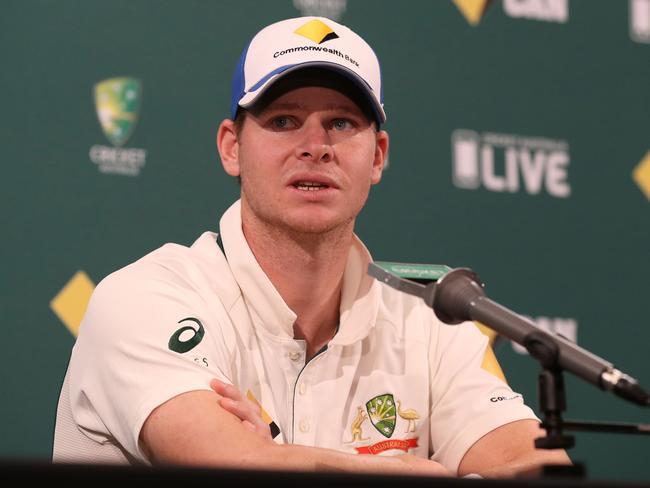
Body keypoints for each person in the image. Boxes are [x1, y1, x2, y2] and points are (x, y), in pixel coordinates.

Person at [53, 16, 570, 478]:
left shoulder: (429, 322)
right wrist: (433, 472)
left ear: (377, 156)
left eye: (341, 123)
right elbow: (228, 465)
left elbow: (539, 467)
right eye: (283, 121)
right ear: (232, 147)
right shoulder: (145, 298)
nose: (314, 145)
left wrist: (281, 459)